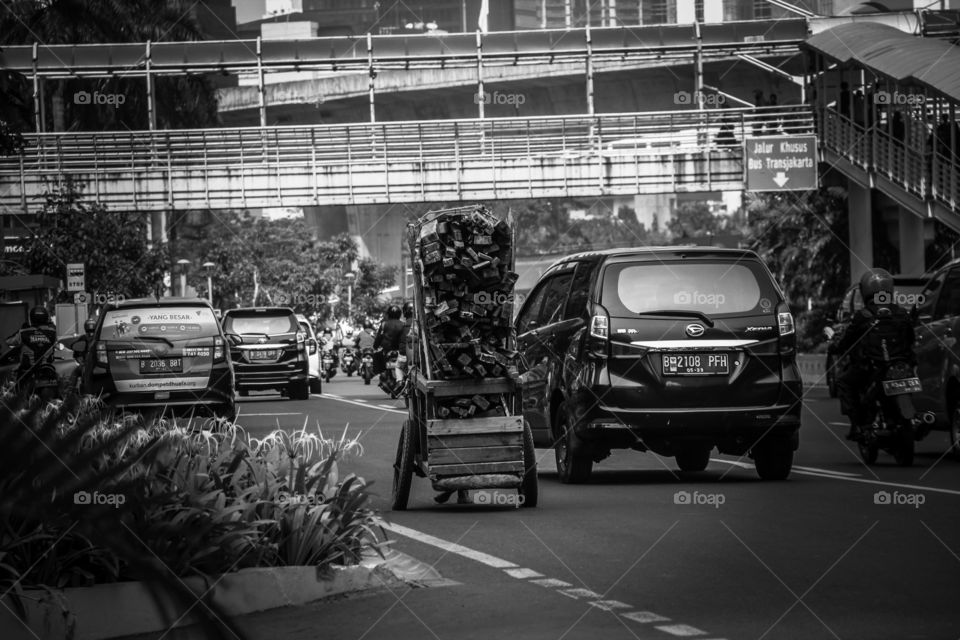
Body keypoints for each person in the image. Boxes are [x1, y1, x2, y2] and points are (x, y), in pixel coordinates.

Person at [834, 269, 917, 441]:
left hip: (872, 368)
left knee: (843, 382)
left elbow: (847, 341)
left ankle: (857, 425)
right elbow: (911, 339)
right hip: (901, 365)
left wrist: (837, 347)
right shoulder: (902, 313)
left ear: (865, 291)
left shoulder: (863, 316)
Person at [6, 306, 58, 389]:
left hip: (28, 369)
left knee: (18, 390)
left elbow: (9, 341)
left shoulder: (23, 332)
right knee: (58, 383)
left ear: (31, 318)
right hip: (47, 368)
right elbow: (56, 345)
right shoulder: (52, 332)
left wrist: (22, 329)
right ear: (46, 317)